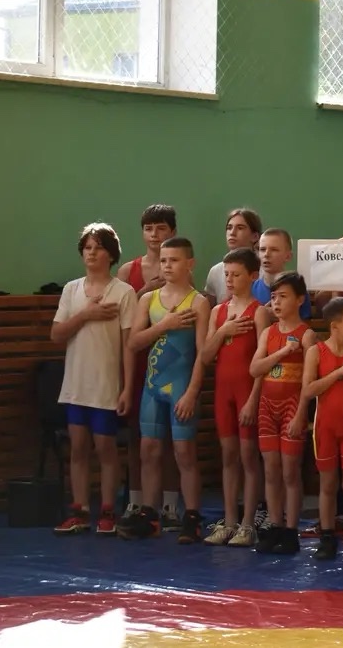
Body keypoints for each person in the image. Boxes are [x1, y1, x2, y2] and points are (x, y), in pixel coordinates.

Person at [118, 237, 210, 544]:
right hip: (152, 388)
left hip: (182, 387)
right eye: (164, 260)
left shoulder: (198, 303)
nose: (167, 265)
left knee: (184, 452)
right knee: (148, 450)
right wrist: (164, 325)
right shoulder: (148, 299)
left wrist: (192, 392)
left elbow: (202, 353)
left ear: (190, 264)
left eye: (174, 260)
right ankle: (149, 514)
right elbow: (133, 343)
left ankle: (192, 516)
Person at [52, 224, 137, 536]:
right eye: (87, 247)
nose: (91, 252)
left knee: (105, 448)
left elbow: (129, 345)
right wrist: (85, 315)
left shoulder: (124, 293)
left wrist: (127, 387)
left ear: (111, 255)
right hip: (76, 384)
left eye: (98, 247)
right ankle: (79, 510)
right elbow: (57, 334)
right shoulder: (71, 290)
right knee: (78, 447)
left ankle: (108, 510)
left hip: (106, 385)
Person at [115, 204, 181, 528]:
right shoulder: (128, 271)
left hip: (170, 362)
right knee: (136, 436)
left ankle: (169, 504)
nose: (154, 235)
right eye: (149, 228)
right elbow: (123, 321)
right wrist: (145, 291)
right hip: (137, 359)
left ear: (172, 232)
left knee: (168, 437)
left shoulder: (178, 267)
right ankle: (136, 500)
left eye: (161, 228)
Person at [202, 248, 270, 547]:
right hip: (223, 393)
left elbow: (263, 361)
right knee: (228, 456)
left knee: (248, 457)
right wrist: (223, 331)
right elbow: (205, 356)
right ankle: (229, 521)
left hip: (246, 392)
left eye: (236, 275)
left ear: (253, 276)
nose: (229, 280)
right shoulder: (218, 312)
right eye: (226, 274)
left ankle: (248, 523)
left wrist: (254, 399)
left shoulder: (259, 312)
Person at [250, 272, 315, 554]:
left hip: (292, 407)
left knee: (290, 472)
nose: (276, 302)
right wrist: (282, 353)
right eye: (273, 297)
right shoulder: (269, 333)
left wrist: (301, 414)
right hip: (267, 407)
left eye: (283, 296)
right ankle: (275, 526)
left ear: (300, 300)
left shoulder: (307, 335)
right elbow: (255, 369)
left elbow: (309, 382)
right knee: (271, 470)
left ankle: (291, 530)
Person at [303, 297, 343, 562]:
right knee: (328, 484)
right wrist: (338, 373)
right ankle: (327, 536)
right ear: (335, 325)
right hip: (325, 428)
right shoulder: (316, 352)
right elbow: (308, 390)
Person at [203, 209, 263, 304]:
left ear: (255, 236)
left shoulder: (264, 270)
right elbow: (210, 308)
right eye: (229, 228)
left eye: (240, 228)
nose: (232, 233)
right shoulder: (216, 271)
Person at [253, 229, 312, 320]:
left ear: (288, 256)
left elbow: (305, 323)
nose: (266, 254)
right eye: (262, 249)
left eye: (274, 250)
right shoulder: (250, 289)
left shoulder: (297, 290)